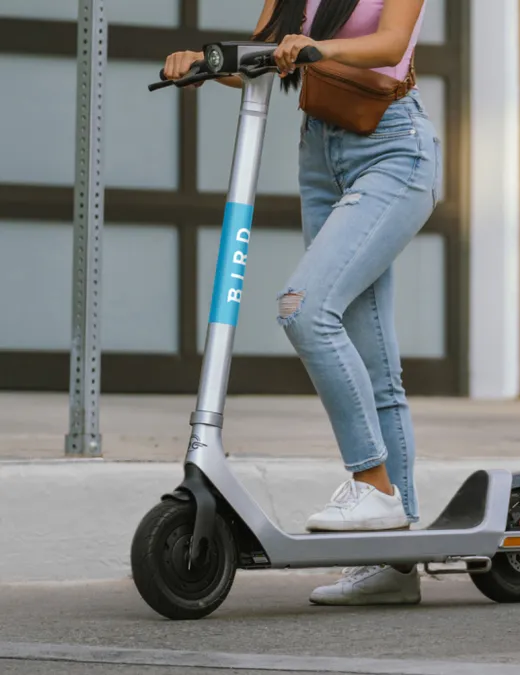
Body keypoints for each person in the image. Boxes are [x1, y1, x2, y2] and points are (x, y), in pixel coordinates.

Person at [162, 0, 438, 606]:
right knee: (374, 364)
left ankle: (374, 486)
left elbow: (391, 45)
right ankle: (393, 564)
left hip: (393, 148)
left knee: (304, 309)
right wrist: (205, 62)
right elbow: (265, 54)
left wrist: (318, 49)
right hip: (321, 157)